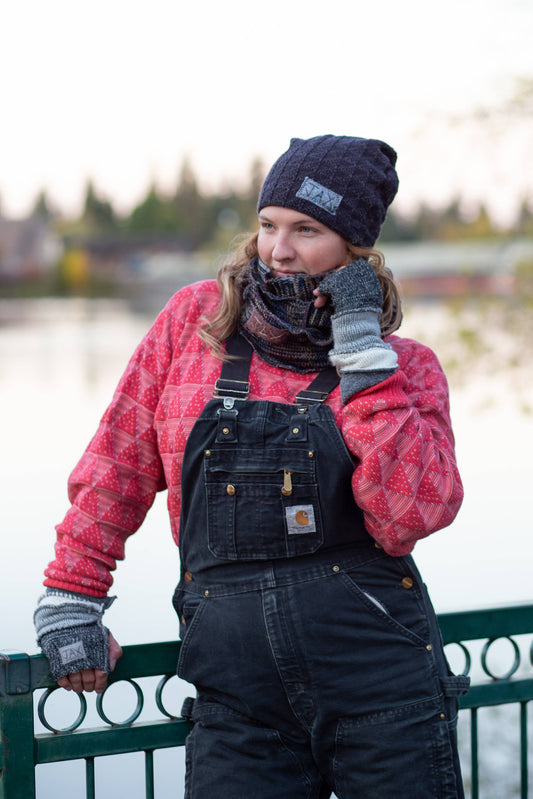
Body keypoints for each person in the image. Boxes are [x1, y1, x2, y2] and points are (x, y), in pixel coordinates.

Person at [34, 135, 469, 798]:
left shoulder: (403, 367)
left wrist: (360, 356)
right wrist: (72, 592)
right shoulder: (193, 322)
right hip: (237, 701)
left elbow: (407, 516)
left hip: (383, 690)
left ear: (353, 248)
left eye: (307, 230)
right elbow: (118, 460)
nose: (279, 249)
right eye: (268, 225)